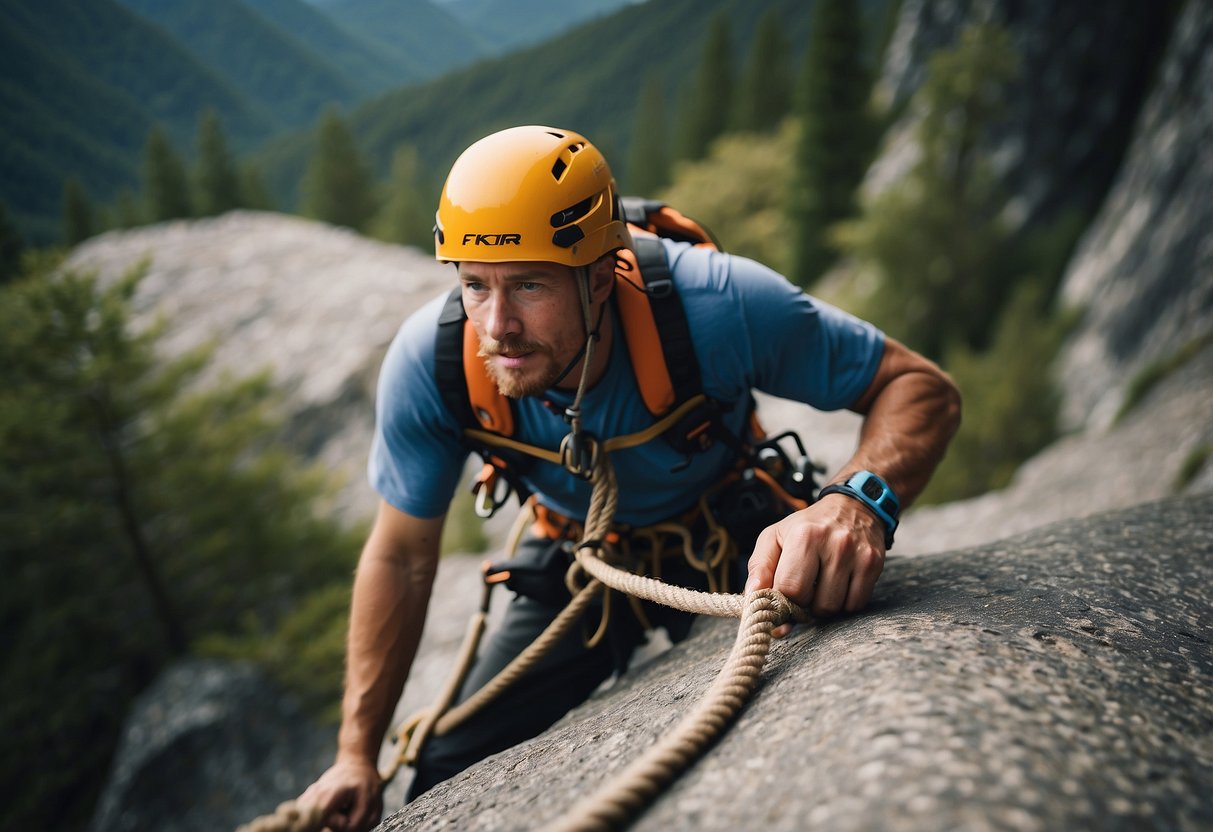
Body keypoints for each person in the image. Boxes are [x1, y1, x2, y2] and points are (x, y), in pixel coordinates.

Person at [300, 125, 961, 831]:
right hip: (581, 558)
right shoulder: (433, 367)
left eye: (527, 284)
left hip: (729, 533)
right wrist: (355, 753)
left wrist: (853, 504)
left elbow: (917, 387)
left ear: (597, 275)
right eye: (475, 285)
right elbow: (399, 557)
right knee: (442, 768)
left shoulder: (715, 305)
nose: (496, 325)